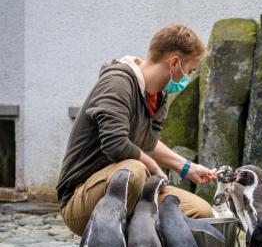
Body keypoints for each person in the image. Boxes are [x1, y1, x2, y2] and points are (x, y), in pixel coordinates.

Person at [56, 24, 217, 236]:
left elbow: (147, 143)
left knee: (201, 211)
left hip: (131, 188)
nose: (188, 77)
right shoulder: (117, 83)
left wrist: (186, 168)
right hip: (81, 200)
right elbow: (115, 144)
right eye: (190, 71)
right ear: (175, 63)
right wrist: (152, 165)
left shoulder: (159, 97)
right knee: (134, 171)